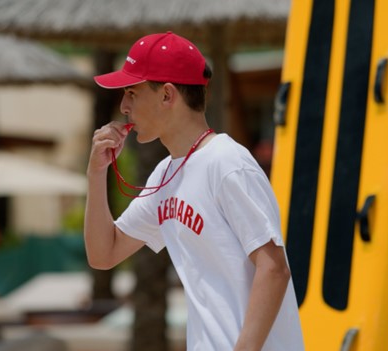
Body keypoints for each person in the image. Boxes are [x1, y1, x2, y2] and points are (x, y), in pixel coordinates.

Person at [85, 31, 304, 350]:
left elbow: (273, 268)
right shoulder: (166, 173)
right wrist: (95, 172)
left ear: (167, 95)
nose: (123, 106)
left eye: (132, 92)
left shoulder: (227, 163)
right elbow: (104, 254)